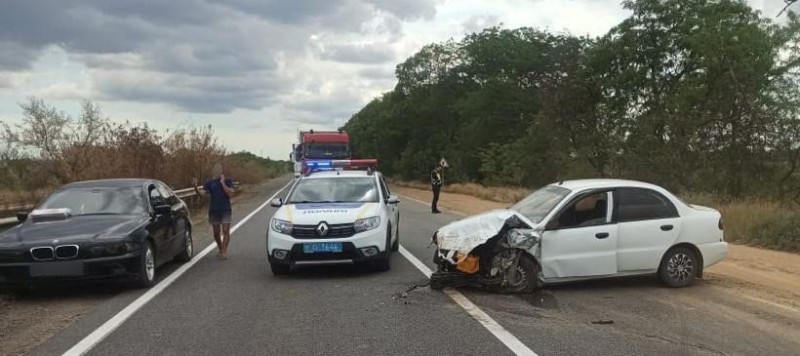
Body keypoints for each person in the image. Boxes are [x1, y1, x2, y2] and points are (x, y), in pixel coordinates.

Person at [193, 163, 235, 259]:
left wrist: (223, 183)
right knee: (216, 233)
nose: (217, 171)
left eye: (219, 169)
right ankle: (220, 248)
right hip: (214, 210)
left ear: (221, 170)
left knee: (225, 231)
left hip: (225, 209)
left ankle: (224, 252)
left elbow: (231, 194)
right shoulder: (209, 182)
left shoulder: (227, 180)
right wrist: (195, 186)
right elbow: (202, 194)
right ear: (213, 170)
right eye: (216, 169)